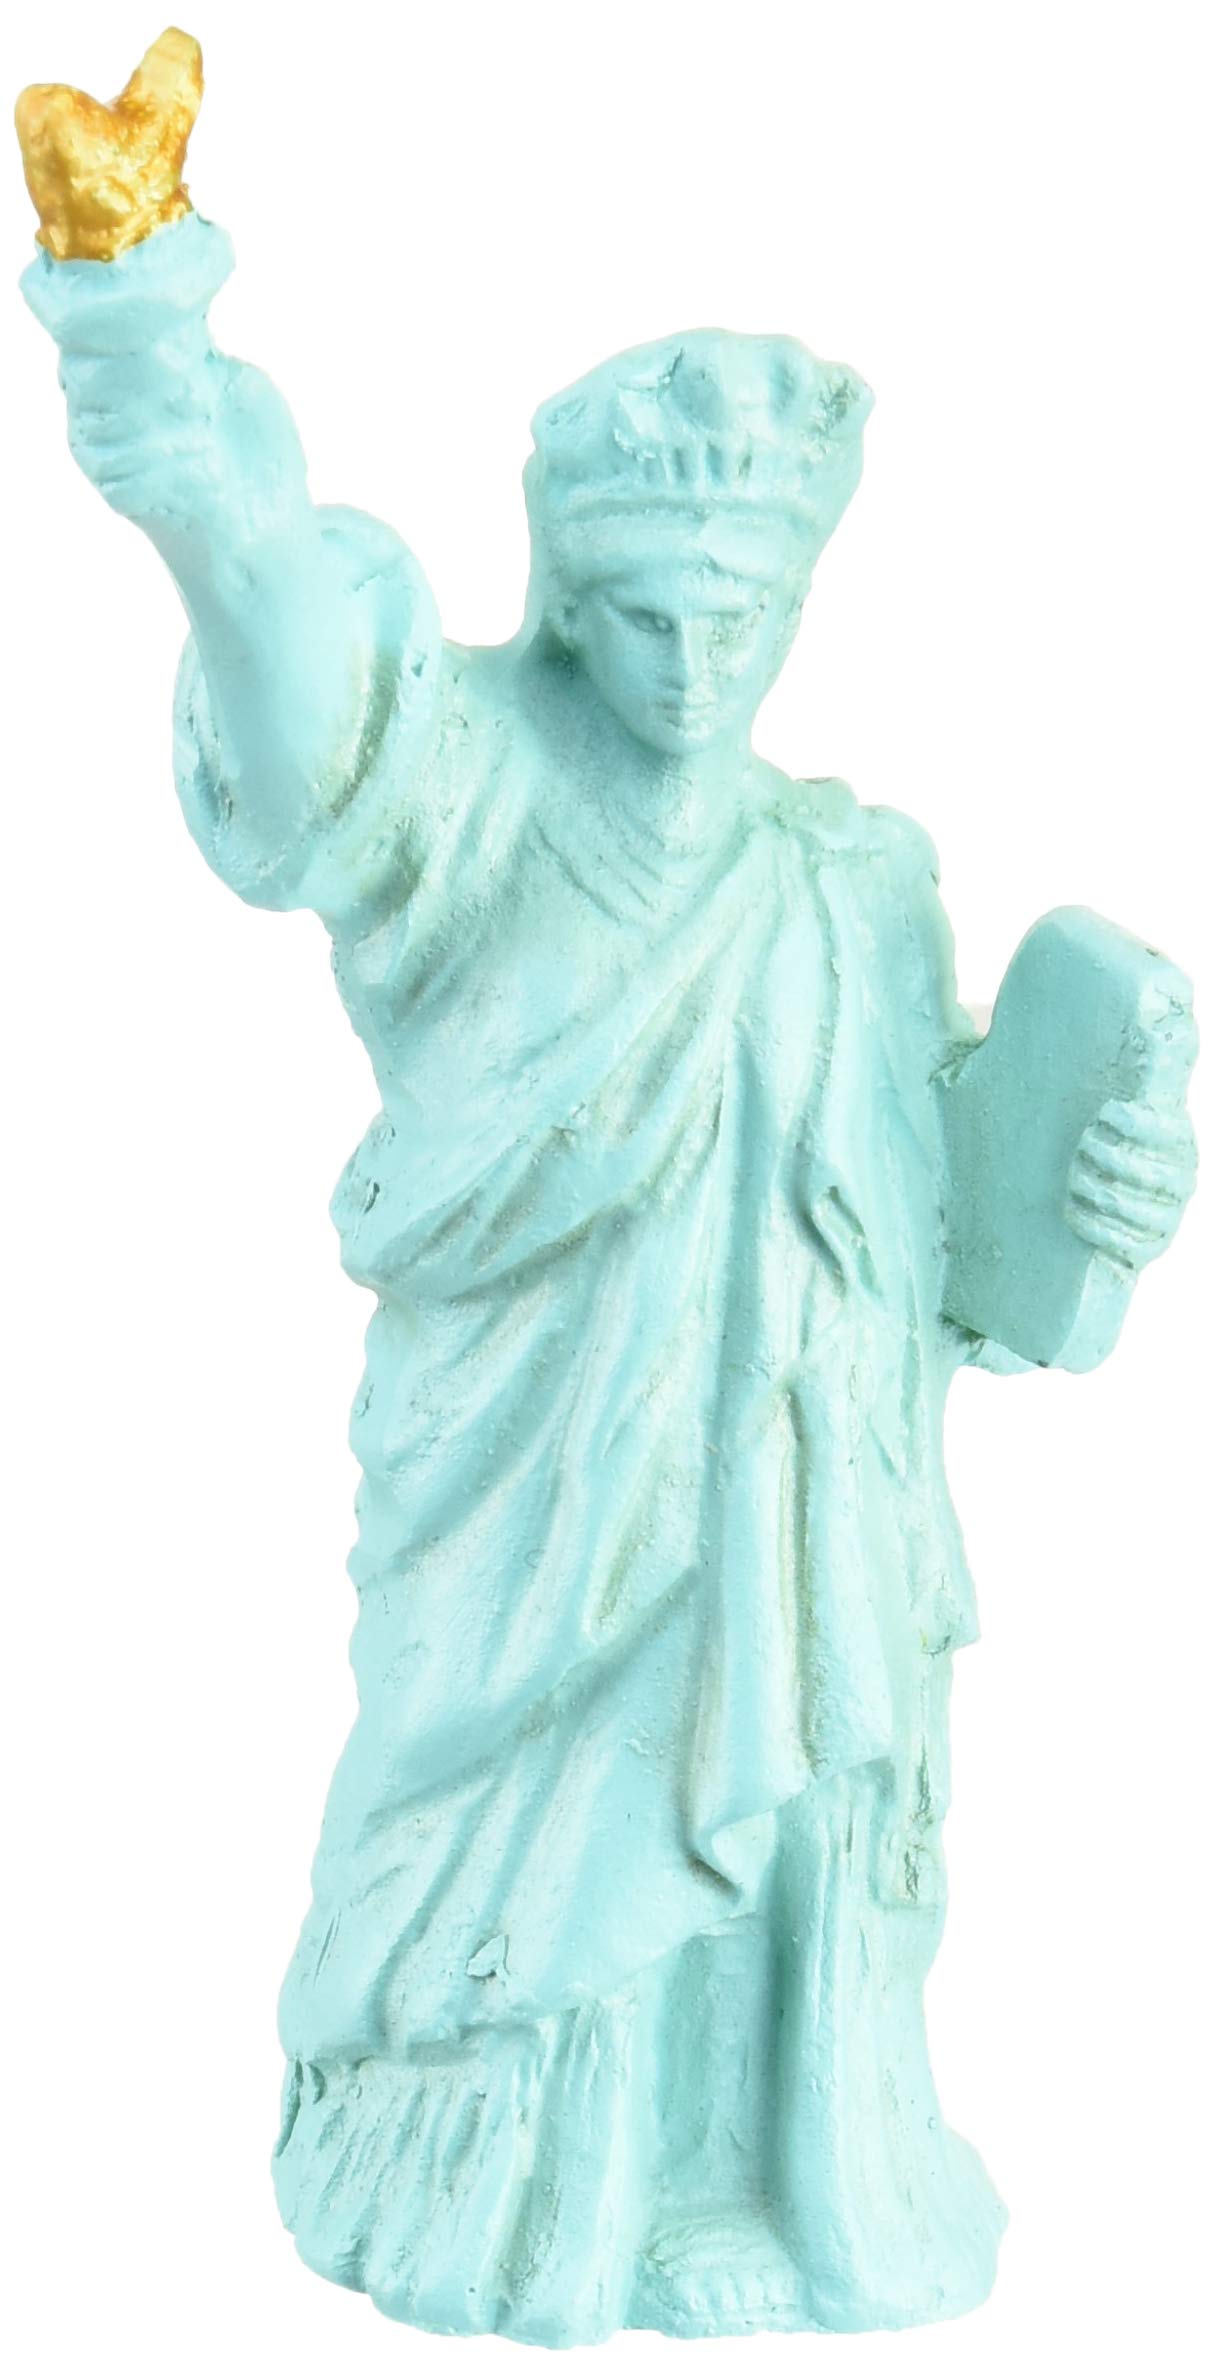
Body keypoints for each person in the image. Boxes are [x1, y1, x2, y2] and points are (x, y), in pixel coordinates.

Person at [17, 33, 1196, 2344]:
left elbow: (944, 1248)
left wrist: (1102, 1176)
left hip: (794, 1486)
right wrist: (195, 473)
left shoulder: (848, 877)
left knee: (773, 1793)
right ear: (563, 591)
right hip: (531, 1487)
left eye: (739, 619)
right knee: (530, 1808)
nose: (690, 664)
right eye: (646, 614)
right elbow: (307, 719)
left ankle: (759, 2167)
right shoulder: (468, 781)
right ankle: (507, 2180)